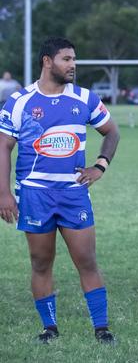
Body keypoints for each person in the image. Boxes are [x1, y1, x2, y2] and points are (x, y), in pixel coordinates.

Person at [0, 37, 120, 344]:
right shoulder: (20, 101)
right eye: (66, 59)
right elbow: (3, 147)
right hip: (34, 194)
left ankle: (102, 328)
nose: (73, 65)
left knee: (87, 259)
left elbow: (111, 131)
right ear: (47, 61)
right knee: (41, 261)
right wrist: (4, 193)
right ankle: (49, 327)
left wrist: (100, 165)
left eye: (74, 59)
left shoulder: (84, 98)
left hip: (73, 193)